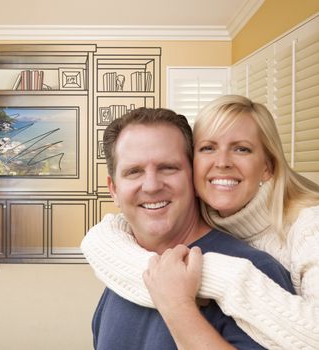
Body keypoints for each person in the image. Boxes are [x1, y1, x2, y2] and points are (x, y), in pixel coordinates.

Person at [82, 95, 319, 349]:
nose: (151, 186)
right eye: (134, 171)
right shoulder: (122, 265)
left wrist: (182, 302)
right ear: (114, 189)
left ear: (191, 177)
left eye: (168, 168)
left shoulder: (264, 265)